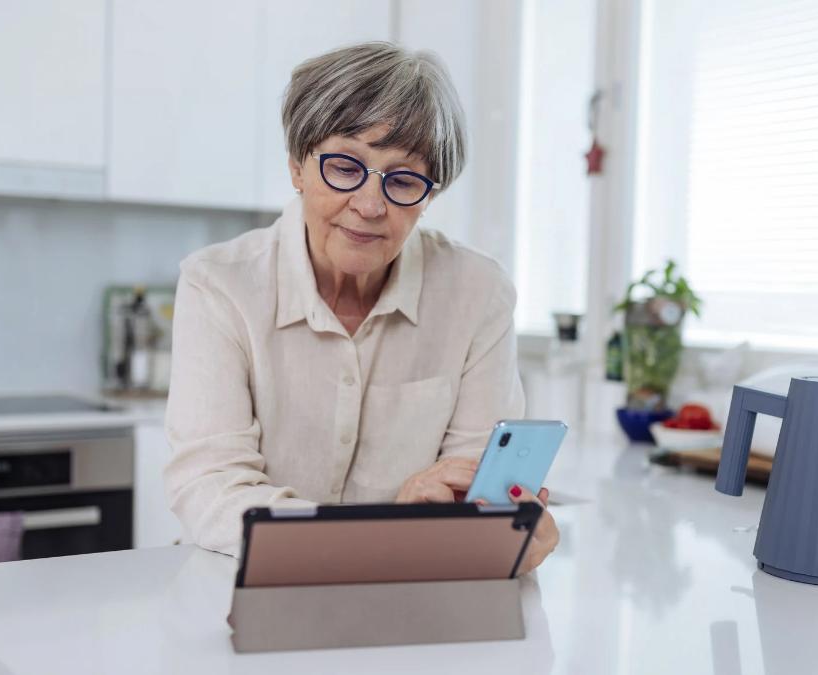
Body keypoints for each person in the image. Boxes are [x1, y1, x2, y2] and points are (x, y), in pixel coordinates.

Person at [163, 42, 558, 574]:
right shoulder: (219, 285)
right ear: (297, 167)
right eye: (345, 167)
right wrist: (382, 534)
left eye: (402, 180)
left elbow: (475, 488)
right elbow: (211, 488)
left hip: (410, 595)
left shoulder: (478, 294)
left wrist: (503, 528)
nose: (370, 206)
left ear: (429, 196)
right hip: (237, 584)